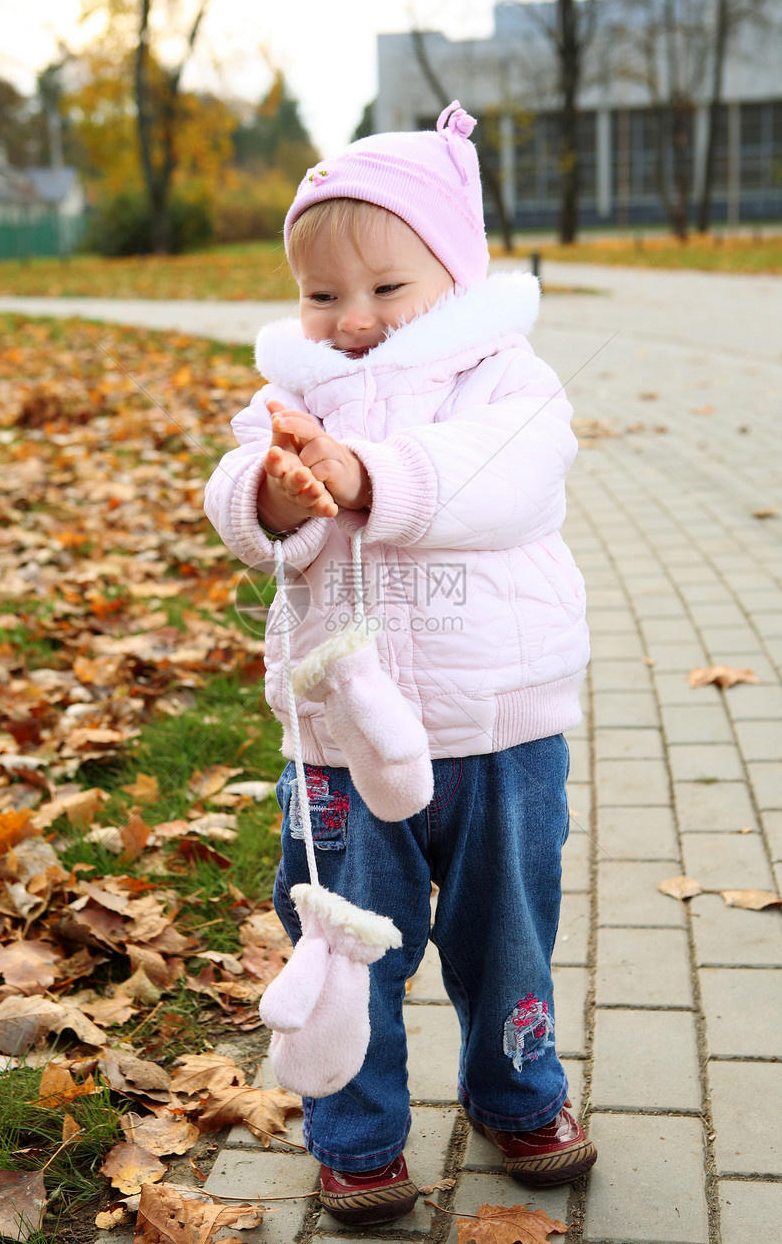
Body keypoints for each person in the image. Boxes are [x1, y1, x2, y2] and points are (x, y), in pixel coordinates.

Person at [204, 101, 594, 1227]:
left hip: (495, 729)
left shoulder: (506, 380)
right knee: (338, 935)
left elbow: (500, 479)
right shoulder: (289, 396)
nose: (353, 319)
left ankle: (519, 1094)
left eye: (387, 289)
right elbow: (239, 501)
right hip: (337, 736)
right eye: (323, 296)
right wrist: (275, 493)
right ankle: (357, 1133)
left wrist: (367, 470)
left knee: (504, 928)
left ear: (455, 275)